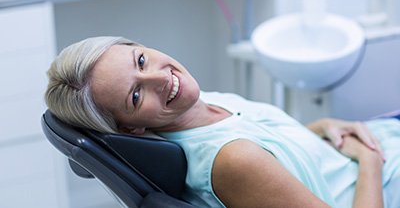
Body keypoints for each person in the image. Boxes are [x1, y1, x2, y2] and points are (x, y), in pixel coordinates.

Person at [45, 36, 400, 208]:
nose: (161, 78)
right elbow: (253, 163)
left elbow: (274, 157)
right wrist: (370, 159)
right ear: (129, 129)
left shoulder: (199, 102)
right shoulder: (232, 161)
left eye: (141, 60)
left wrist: (320, 127)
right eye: (136, 96)